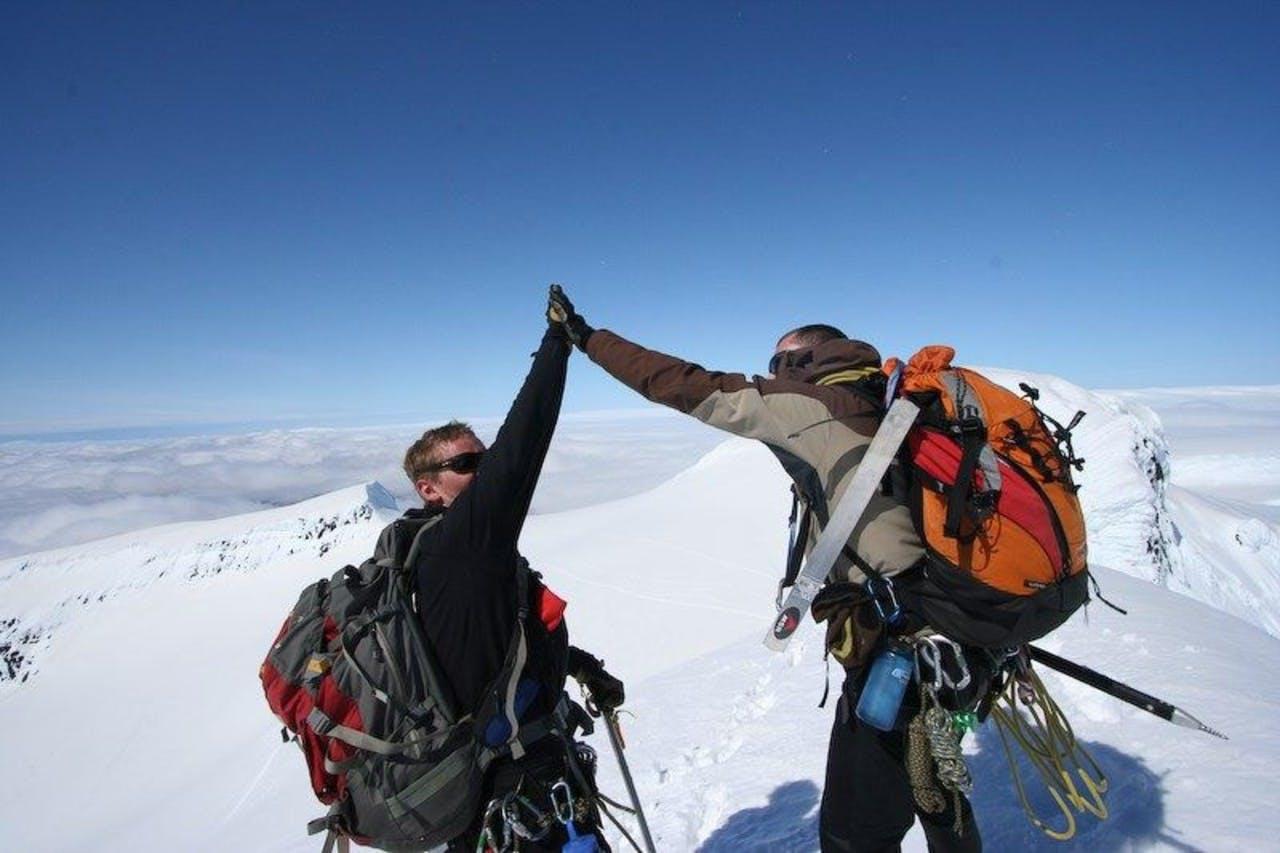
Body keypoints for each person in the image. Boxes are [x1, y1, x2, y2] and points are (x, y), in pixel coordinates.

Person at [545, 285, 982, 853]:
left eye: (778, 364)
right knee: (935, 780)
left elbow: (685, 383)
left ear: (806, 361)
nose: (770, 375)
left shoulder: (811, 408)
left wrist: (588, 339)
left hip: (897, 643)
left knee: (856, 830)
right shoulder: (891, 402)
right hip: (958, 627)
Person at [374, 310, 625, 852]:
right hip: (518, 797)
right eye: (467, 463)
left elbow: (486, 644)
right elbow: (522, 448)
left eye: (482, 458)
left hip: (497, 791)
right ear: (429, 489)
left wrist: (577, 665)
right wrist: (557, 344)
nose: (484, 470)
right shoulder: (461, 545)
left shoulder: (434, 553)